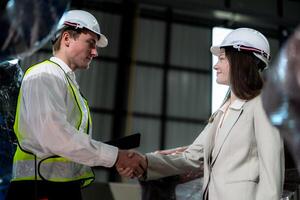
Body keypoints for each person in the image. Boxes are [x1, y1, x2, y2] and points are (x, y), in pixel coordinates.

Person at [119, 28, 285, 200]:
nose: (215, 65)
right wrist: (146, 162)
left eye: (221, 58)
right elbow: (192, 156)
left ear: (240, 60)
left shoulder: (263, 106)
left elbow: (272, 175)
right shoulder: (222, 112)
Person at [6, 10, 146, 200]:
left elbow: (66, 144)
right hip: (38, 189)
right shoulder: (45, 75)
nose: (95, 52)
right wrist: (115, 156)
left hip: (60, 188)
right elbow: (55, 136)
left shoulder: (65, 81)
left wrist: (114, 157)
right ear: (67, 38)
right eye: (91, 43)